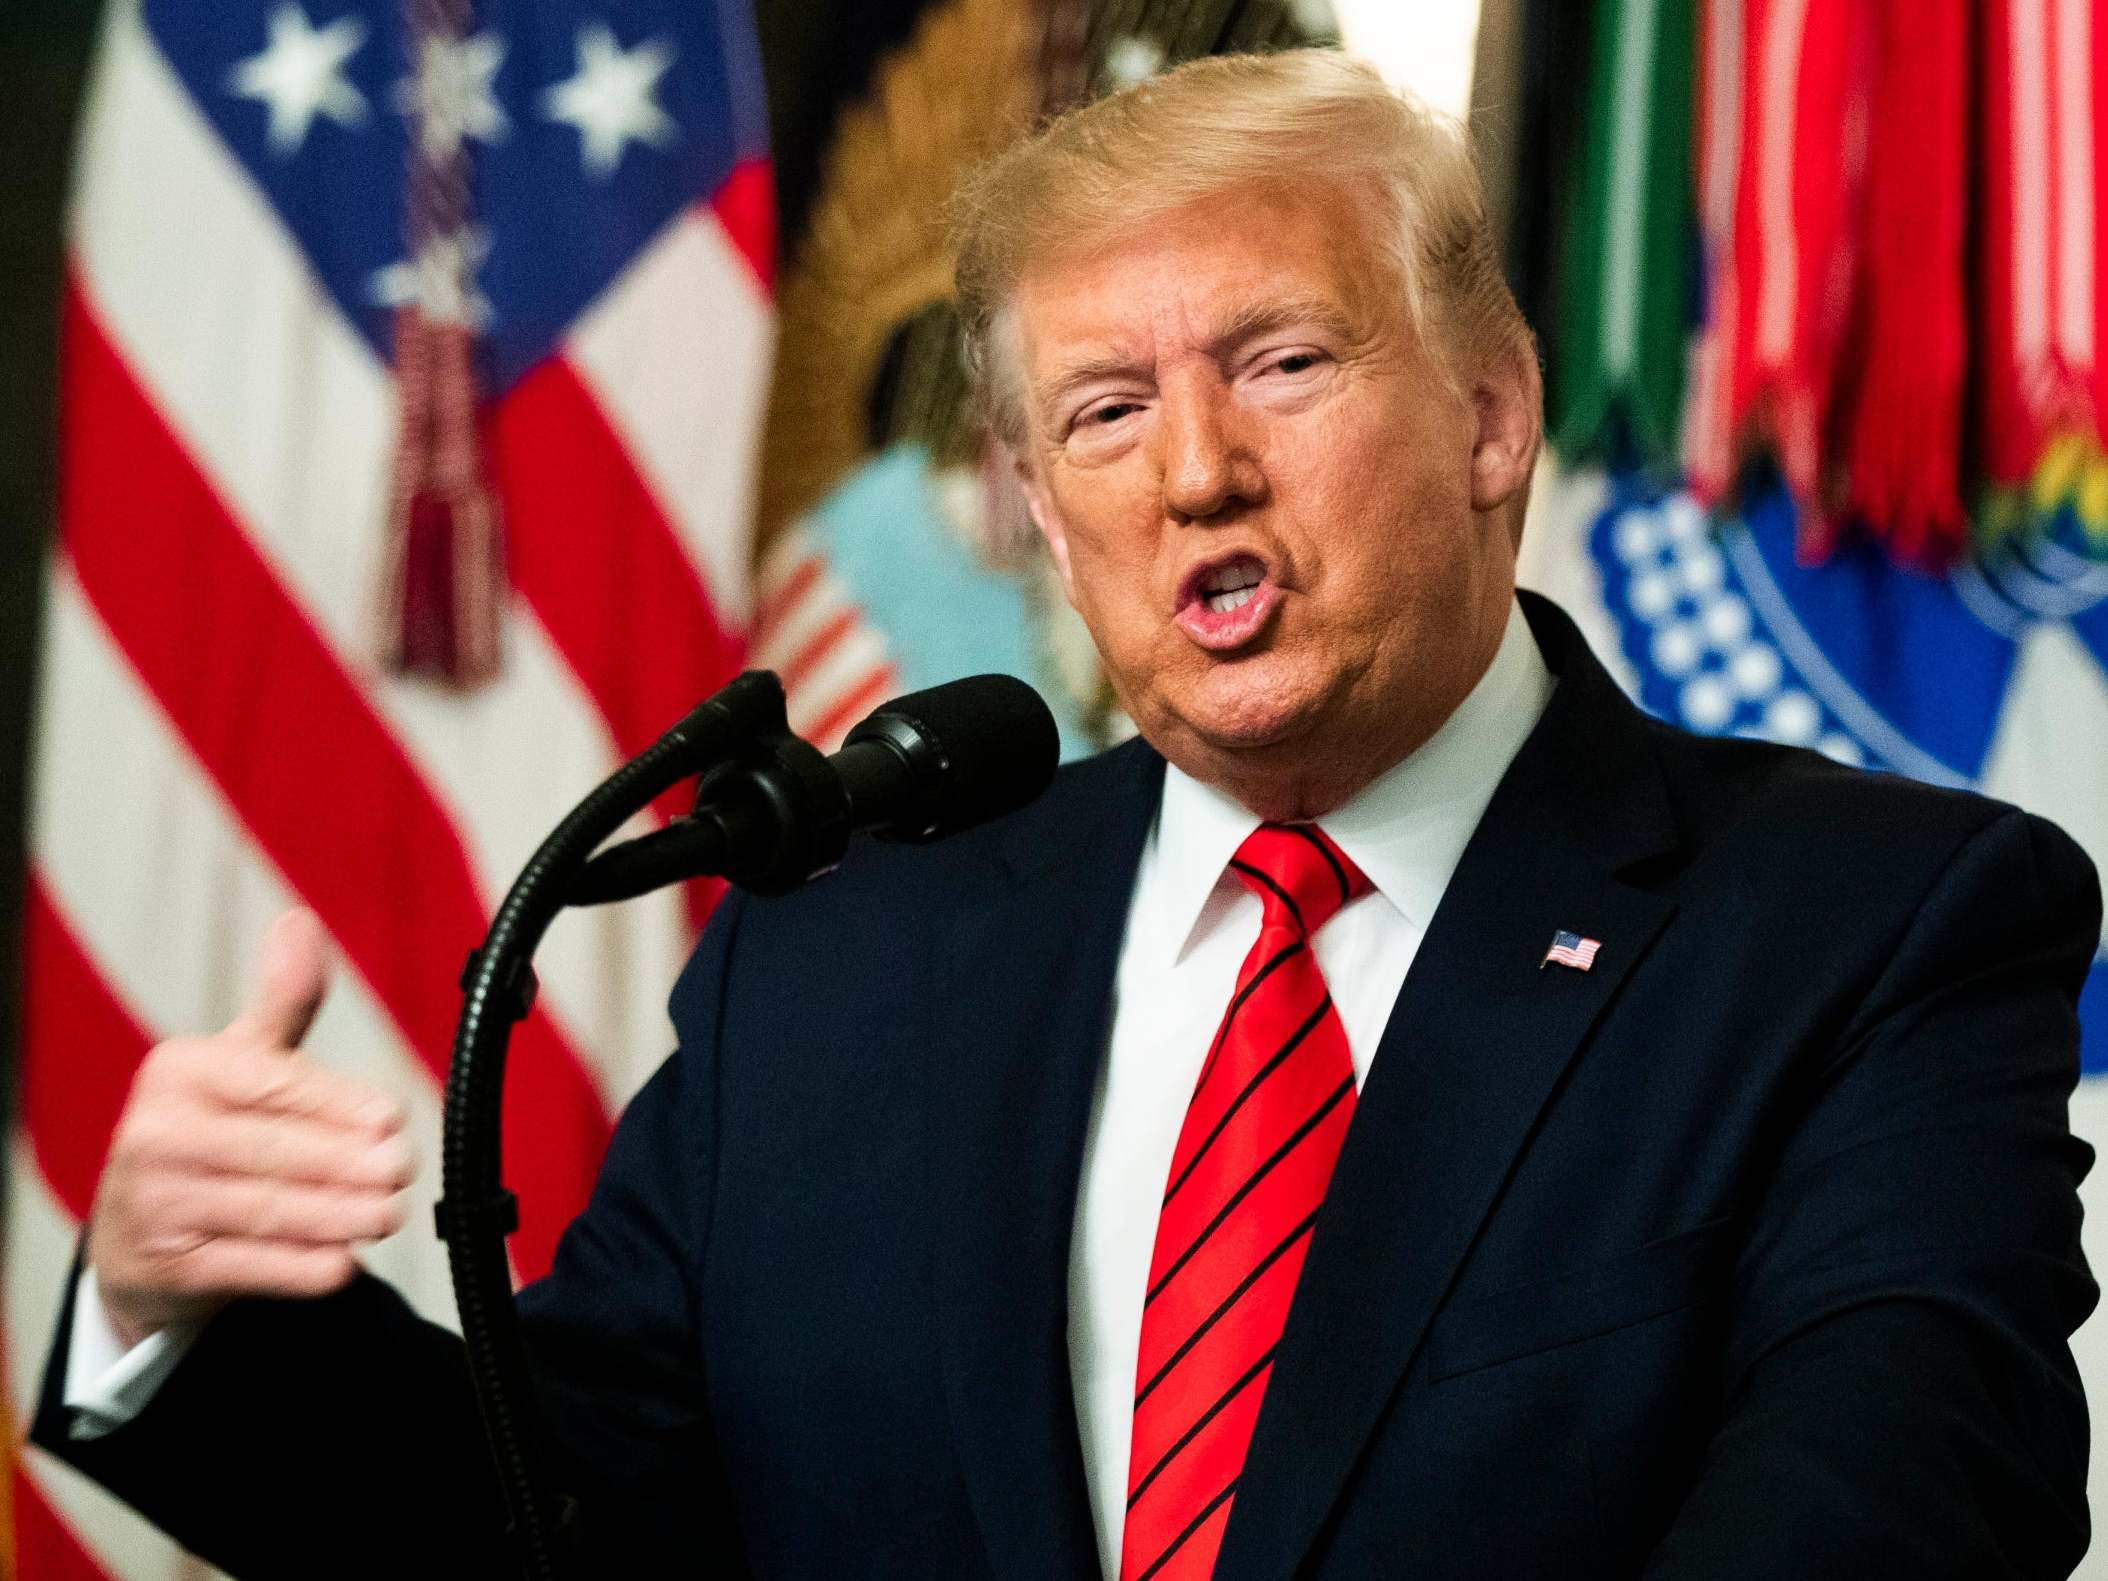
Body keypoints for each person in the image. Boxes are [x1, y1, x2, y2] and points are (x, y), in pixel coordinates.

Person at [33, 48, 2102, 1581]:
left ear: (1491, 410)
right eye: (1102, 412)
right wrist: (171, 1306)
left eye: (1279, 363)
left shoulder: (1864, 932)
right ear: (1034, 497)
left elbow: (1897, 1502)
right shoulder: (835, 964)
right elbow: (565, 1523)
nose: (1189, 472)